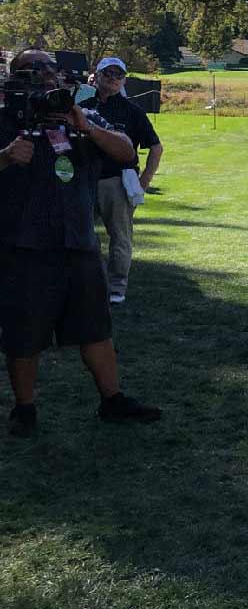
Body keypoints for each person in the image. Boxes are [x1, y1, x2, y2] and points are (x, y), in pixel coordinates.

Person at [0, 48, 161, 437]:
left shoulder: (81, 115)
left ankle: (112, 400)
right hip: (24, 244)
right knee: (24, 333)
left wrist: (88, 128)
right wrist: (3, 157)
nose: (43, 76)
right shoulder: (5, 119)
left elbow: (126, 152)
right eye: (31, 69)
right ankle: (25, 409)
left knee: (94, 327)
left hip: (78, 242)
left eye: (48, 68)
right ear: (15, 77)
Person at [79, 57, 163, 304]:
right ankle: (82, 282)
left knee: (120, 238)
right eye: (108, 73)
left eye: (118, 75)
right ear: (97, 75)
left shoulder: (131, 111)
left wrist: (145, 180)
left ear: (124, 79)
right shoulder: (82, 105)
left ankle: (117, 288)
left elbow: (156, 147)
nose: (113, 79)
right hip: (84, 180)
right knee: (80, 233)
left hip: (116, 182)